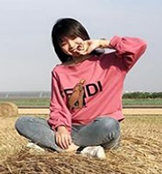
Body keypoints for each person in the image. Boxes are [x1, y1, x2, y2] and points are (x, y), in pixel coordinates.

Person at [15, 18, 147, 159]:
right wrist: (61, 128)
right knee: (23, 123)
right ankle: (79, 150)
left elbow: (140, 45)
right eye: (64, 43)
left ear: (83, 34)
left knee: (109, 123)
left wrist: (102, 43)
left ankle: (54, 146)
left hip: (99, 130)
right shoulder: (59, 71)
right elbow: (58, 106)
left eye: (73, 38)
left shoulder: (112, 62)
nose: (71, 45)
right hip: (72, 130)